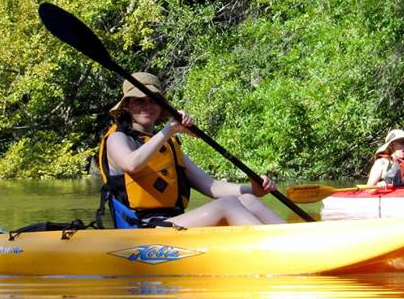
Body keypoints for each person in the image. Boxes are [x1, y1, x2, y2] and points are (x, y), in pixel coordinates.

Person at [98, 72, 283, 228]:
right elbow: (132, 164)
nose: (147, 106)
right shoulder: (117, 138)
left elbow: (212, 187)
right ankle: (280, 251)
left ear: (160, 105)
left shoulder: (168, 145)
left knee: (248, 200)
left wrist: (252, 189)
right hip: (142, 226)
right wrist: (169, 130)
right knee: (227, 205)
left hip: (171, 221)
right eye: (139, 101)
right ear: (128, 106)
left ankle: (298, 241)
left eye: (152, 101)